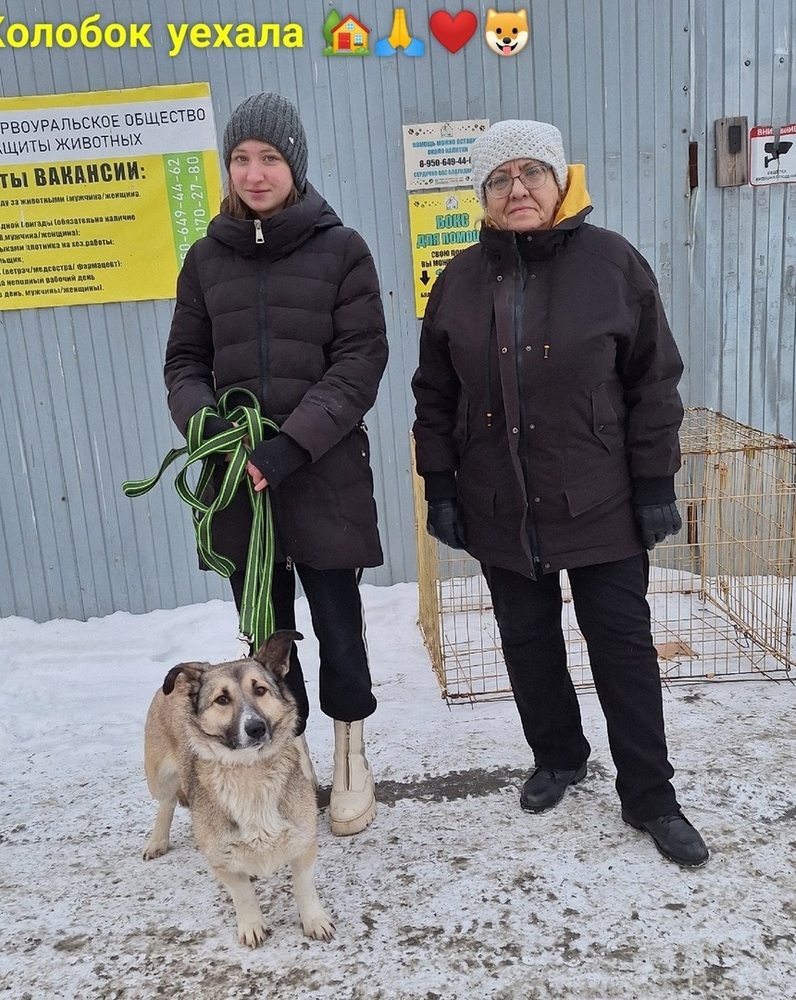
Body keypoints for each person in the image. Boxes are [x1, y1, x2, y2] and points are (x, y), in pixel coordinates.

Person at [411, 119, 708, 867]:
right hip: (498, 501)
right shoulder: (457, 281)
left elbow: (654, 382)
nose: (517, 190)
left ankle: (650, 796)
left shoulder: (612, 265)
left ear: (558, 181)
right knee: (526, 641)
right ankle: (558, 757)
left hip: (600, 498)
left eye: (530, 174)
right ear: (482, 196)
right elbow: (433, 394)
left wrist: (651, 483)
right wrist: (440, 484)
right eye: (500, 179)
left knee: (621, 648)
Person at [164, 92, 388, 836]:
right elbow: (185, 362)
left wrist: (289, 444)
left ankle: (350, 750)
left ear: (293, 165)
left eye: (269, 158)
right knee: (263, 632)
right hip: (240, 488)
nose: (254, 173)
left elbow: (360, 361)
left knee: (337, 624)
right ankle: (285, 755)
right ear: (227, 168)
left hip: (320, 475)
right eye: (240, 159)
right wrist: (209, 430)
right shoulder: (204, 258)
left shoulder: (342, 250)